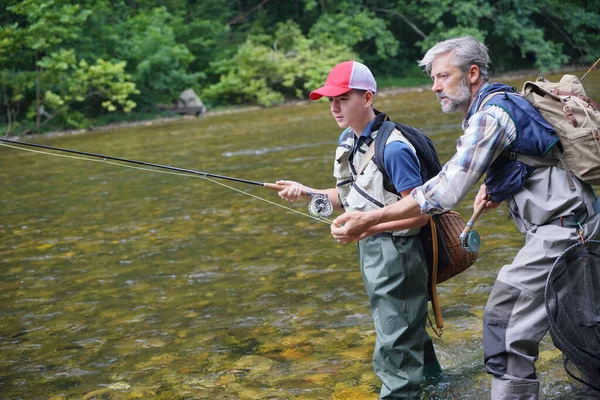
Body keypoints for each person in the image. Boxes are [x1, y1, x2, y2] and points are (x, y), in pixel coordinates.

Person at [330, 37, 600, 399]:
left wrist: (369, 219)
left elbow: (441, 193)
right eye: (433, 78)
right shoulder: (495, 107)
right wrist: (500, 187)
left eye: (443, 76)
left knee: (502, 325)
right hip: (580, 224)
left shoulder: (490, 115)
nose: (435, 87)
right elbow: (535, 159)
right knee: (581, 328)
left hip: (564, 232)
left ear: (472, 74)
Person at [276, 60, 442, 399]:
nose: (334, 107)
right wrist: (305, 191)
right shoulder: (347, 141)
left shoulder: (393, 148)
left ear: (367, 98)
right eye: (330, 101)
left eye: (343, 98)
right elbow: (348, 198)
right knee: (407, 329)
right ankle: (437, 387)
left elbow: (421, 214)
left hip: (399, 254)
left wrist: (365, 229)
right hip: (372, 250)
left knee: (394, 342)